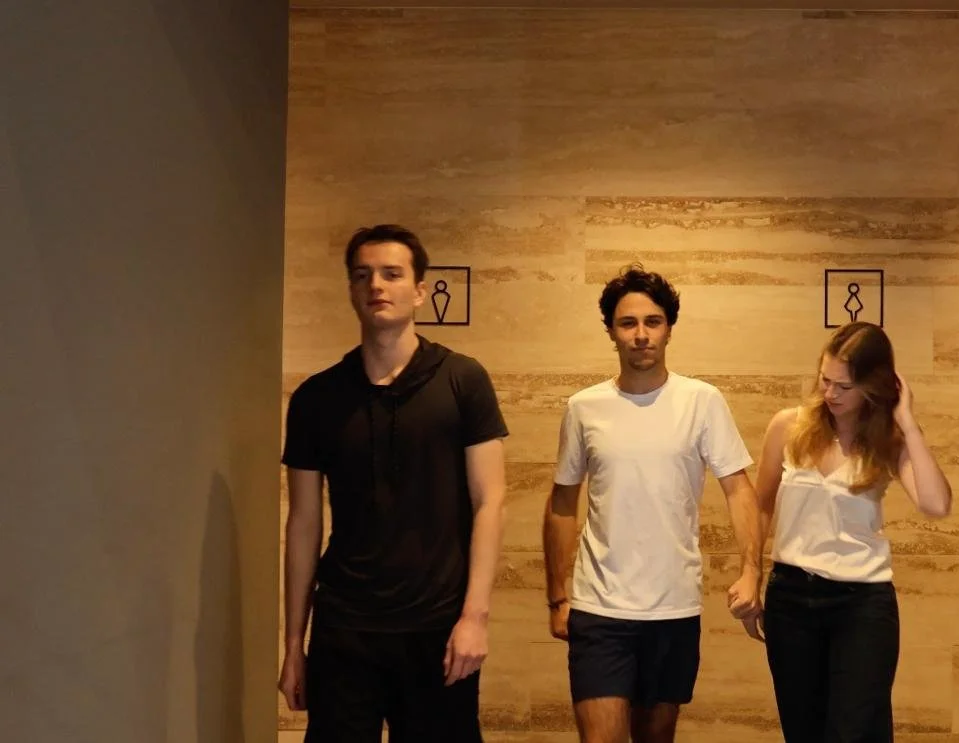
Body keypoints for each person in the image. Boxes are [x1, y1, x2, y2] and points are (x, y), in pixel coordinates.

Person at [277, 224, 509, 743]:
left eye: (391, 274)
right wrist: (294, 644)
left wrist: (475, 617)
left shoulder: (463, 380)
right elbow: (304, 522)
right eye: (363, 275)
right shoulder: (317, 398)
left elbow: (490, 501)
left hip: (438, 628)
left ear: (420, 290)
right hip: (344, 627)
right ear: (351, 290)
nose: (376, 285)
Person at [541, 265, 764, 743]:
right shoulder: (584, 408)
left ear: (668, 328)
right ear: (611, 331)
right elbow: (562, 501)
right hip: (599, 610)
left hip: (673, 609)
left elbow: (738, 488)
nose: (641, 334)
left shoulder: (702, 401)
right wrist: (558, 596)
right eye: (628, 323)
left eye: (652, 322)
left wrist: (751, 571)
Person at [755, 321, 952, 743]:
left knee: (854, 731)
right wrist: (748, 573)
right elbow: (760, 504)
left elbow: (936, 504)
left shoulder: (888, 440)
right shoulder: (788, 426)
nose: (830, 394)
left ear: (873, 387)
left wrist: (908, 423)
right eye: (825, 380)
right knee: (803, 731)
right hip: (791, 598)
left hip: (861, 604)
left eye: (844, 386)